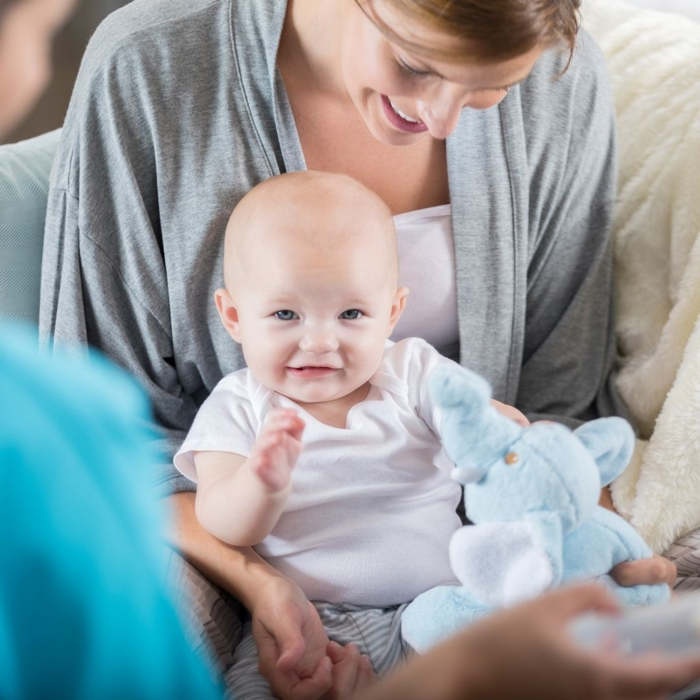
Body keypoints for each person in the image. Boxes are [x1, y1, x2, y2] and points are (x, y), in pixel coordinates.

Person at [2, 1, 700, 699]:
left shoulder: (559, 86)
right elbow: (113, 454)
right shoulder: (149, 68)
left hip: (476, 540)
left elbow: (554, 409)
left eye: (491, 92)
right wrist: (267, 587)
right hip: (213, 534)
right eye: (416, 65)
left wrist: (586, 541)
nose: (444, 120)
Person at [174, 170, 531, 696]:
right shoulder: (239, 403)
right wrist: (261, 484)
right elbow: (220, 519)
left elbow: (469, 419)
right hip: (310, 625)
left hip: (440, 608)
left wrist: (493, 429)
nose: (319, 341)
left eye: (350, 313)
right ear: (234, 316)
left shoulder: (412, 370)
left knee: (523, 660)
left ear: (391, 313)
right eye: (285, 313)